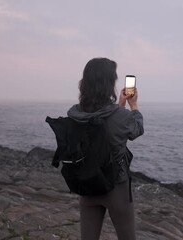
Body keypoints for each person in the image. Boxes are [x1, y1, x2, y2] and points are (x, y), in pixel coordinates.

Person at [66, 57, 144, 240]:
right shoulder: (121, 117)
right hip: (116, 188)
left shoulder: (75, 115)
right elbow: (135, 129)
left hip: (87, 185)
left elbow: (102, 121)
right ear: (109, 84)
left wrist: (120, 106)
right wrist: (133, 106)